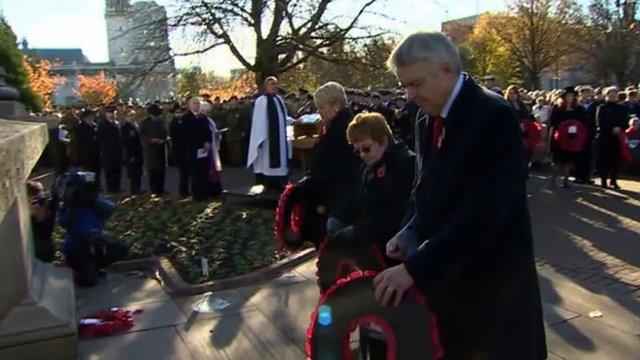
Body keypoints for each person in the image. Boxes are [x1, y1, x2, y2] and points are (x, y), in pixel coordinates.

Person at [372, 31, 546, 359]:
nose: (409, 95)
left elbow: (484, 213)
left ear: (447, 71)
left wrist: (414, 268)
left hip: (493, 288)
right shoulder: (426, 118)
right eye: (404, 85)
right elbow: (427, 188)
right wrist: (410, 231)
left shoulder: (492, 115)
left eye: (416, 83)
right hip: (449, 283)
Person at [331, 112, 415, 260]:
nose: (362, 155)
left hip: (394, 249)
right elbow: (359, 198)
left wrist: (356, 232)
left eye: (366, 149)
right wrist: (338, 215)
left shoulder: (405, 164)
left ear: (383, 141)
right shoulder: (370, 165)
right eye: (358, 151)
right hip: (372, 246)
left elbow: (394, 214)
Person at [298, 81, 362, 239]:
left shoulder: (340, 130)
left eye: (321, 107)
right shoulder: (337, 126)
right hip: (337, 196)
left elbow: (334, 168)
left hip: (338, 200)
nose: (319, 112)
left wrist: (305, 185)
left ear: (336, 105)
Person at [246, 76, 294, 191]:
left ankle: (281, 182)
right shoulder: (261, 101)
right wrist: (260, 138)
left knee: (281, 160)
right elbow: (258, 122)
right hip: (268, 140)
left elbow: (282, 118)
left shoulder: (280, 100)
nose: (274, 86)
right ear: (266, 86)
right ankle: (269, 184)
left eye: (275, 84)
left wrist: (293, 120)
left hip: (280, 139)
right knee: (268, 161)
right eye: (271, 84)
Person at [548, 86, 586, 188]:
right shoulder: (557, 108)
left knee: (568, 160)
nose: (570, 97)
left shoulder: (578, 109)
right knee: (557, 160)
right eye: (568, 95)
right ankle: (553, 181)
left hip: (572, 137)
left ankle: (565, 180)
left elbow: (583, 122)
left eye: (572, 96)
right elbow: (552, 122)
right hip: (559, 137)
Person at [596, 86, 629, 189]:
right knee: (604, 160)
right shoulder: (601, 108)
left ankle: (613, 180)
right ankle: (604, 180)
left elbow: (625, 122)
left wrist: (620, 128)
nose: (612, 97)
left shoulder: (622, 108)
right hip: (605, 137)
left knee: (615, 160)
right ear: (606, 96)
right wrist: (610, 129)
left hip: (617, 138)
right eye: (610, 95)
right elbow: (599, 122)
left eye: (614, 95)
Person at [182, 96, 213, 200]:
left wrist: (207, 142)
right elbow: (188, 135)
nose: (197, 105)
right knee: (196, 173)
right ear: (190, 105)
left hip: (204, 149)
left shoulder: (203, 117)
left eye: (198, 103)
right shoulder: (186, 118)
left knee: (204, 171)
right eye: (194, 103)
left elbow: (207, 131)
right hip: (193, 150)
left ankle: (205, 193)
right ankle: (197, 195)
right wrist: (200, 144)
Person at [140, 104, 169, 195]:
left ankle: (161, 189)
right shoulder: (144, 123)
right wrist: (150, 140)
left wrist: (163, 140)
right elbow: (141, 136)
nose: (156, 117)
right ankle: (153, 190)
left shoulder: (161, 121)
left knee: (161, 170)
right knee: (152, 170)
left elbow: (165, 133)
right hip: (150, 150)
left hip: (160, 148)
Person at [27, 180, 57, 263]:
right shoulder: (46, 203)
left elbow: (40, 219)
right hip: (48, 242)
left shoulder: (35, 206)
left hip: (40, 246)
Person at [97, 105, 123, 193]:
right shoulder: (102, 124)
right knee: (109, 171)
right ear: (106, 114)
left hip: (117, 151)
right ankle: (110, 189)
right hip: (107, 150)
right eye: (110, 113)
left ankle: (117, 188)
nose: (112, 115)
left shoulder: (117, 123)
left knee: (117, 171)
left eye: (113, 113)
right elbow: (99, 138)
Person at [199, 102, 223, 197]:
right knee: (210, 168)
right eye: (205, 111)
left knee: (214, 168)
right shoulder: (201, 120)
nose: (207, 113)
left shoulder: (209, 120)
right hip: (208, 148)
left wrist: (217, 133)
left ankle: (216, 188)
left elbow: (213, 130)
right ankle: (211, 189)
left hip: (213, 146)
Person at [75, 109, 101, 188]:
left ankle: (96, 186)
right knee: (89, 172)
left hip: (96, 153)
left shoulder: (94, 126)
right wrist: (93, 138)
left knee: (97, 171)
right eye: (89, 117)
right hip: (86, 154)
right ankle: (89, 187)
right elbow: (81, 140)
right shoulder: (80, 127)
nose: (91, 119)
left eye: (92, 117)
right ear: (84, 118)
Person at [120, 108, 144, 195]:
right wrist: (130, 155)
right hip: (131, 153)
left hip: (138, 152)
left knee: (138, 172)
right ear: (126, 117)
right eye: (130, 116)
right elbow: (125, 142)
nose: (132, 117)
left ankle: (138, 188)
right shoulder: (125, 127)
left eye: (133, 116)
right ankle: (134, 190)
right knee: (133, 173)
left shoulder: (135, 125)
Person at [169, 105, 190, 197]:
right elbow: (178, 137)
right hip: (179, 150)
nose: (179, 114)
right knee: (183, 172)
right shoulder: (174, 123)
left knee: (186, 172)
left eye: (180, 112)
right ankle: (183, 192)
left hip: (185, 149)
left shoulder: (183, 122)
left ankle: (185, 190)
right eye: (177, 113)